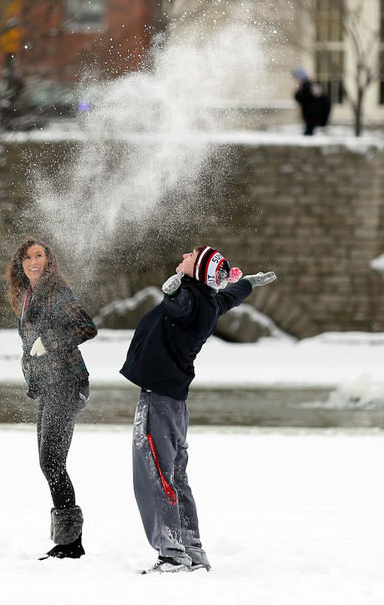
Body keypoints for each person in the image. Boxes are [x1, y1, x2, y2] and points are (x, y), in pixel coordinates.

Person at [119, 245, 277, 573]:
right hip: (173, 404)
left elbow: (180, 307)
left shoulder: (190, 300)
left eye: (193, 255)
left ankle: (172, 554)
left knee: (155, 476)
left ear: (198, 271)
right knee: (175, 476)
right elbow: (228, 296)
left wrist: (174, 292)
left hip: (159, 401)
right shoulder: (208, 299)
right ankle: (191, 550)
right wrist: (246, 283)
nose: (187, 253)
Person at [5, 237, 97, 560]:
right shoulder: (29, 295)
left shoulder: (56, 290)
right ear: (21, 264)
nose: (34, 261)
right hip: (48, 384)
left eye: (40, 255)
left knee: (52, 461)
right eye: (28, 256)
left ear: (48, 260)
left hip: (67, 383)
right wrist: (28, 359)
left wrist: (48, 342)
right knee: (48, 462)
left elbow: (86, 327)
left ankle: (71, 544)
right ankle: (66, 539)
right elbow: (34, 339)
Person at [292, 66, 331, 136]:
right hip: (314, 116)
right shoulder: (312, 85)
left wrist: (297, 91)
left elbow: (299, 98)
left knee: (309, 134)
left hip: (312, 116)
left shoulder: (307, 86)